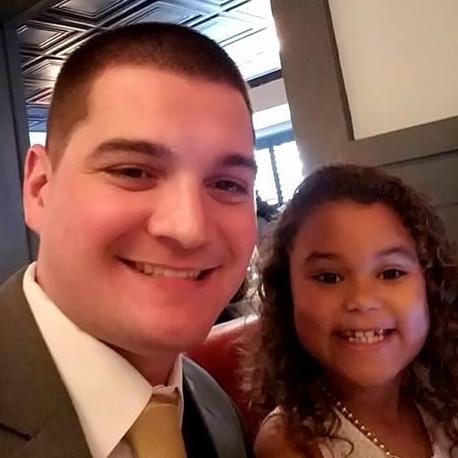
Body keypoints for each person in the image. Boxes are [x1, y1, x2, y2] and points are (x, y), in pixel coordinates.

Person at [0, 23, 257, 457]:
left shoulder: (215, 407)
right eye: (132, 171)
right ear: (40, 188)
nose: (189, 228)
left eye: (227, 184)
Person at [247, 165, 458, 457]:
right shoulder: (291, 442)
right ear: (287, 294)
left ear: (430, 288)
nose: (362, 299)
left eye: (391, 273)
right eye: (329, 277)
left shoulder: (442, 397)